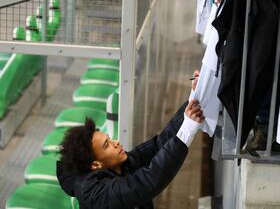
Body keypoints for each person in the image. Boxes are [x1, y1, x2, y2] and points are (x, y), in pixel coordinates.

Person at [56, 76, 205, 209]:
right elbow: (146, 183)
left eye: (109, 138)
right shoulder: (95, 194)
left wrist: (192, 101)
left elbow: (158, 145)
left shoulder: (120, 164)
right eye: (107, 145)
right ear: (96, 165)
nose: (116, 142)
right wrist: (187, 131)